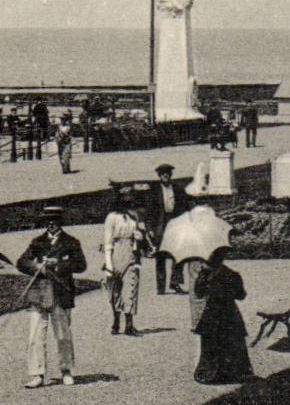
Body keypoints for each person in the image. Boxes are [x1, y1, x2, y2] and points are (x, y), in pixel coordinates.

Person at [17, 206, 87, 388]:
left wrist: (59, 264)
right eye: (48, 221)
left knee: (63, 334)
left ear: (60, 222)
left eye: (54, 221)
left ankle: (66, 370)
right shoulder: (37, 242)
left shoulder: (71, 242)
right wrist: (36, 265)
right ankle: (37, 374)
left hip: (61, 294)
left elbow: (81, 264)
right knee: (35, 336)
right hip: (39, 294)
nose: (51, 224)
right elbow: (21, 262)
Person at [191, 246, 254, 385]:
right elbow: (241, 295)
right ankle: (235, 372)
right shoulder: (232, 274)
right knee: (233, 342)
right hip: (230, 313)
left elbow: (199, 293)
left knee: (211, 343)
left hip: (212, 313)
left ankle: (212, 372)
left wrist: (202, 278)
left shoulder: (206, 275)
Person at [100, 184, 147, 336]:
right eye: (125, 198)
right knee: (114, 291)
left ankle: (129, 324)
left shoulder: (134, 216)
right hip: (116, 252)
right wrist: (108, 263)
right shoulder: (111, 218)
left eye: (130, 198)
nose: (128, 201)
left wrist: (140, 237)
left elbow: (139, 233)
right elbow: (108, 241)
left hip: (130, 252)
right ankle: (115, 321)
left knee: (131, 287)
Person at [141, 163, 193, 294]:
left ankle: (175, 283)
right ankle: (161, 286)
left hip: (174, 223)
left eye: (168, 173)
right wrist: (150, 229)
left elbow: (184, 207)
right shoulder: (153, 191)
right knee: (160, 255)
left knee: (178, 254)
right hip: (160, 224)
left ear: (171, 175)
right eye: (163, 174)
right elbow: (149, 212)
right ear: (159, 176)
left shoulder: (178, 189)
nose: (166, 176)